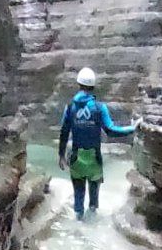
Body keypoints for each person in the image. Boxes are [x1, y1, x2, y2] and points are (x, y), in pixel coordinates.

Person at [58, 67, 140, 219]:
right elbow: (110, 130)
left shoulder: (70, 108)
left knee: (78, 196)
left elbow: (64, 132)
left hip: (76, 159)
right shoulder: (99, 108)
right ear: (93, 86)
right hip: (94, 159)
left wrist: (61, 156)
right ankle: (92, 221)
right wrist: (132, 128)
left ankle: (78, 225)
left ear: (78, 84)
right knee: (94, 199)